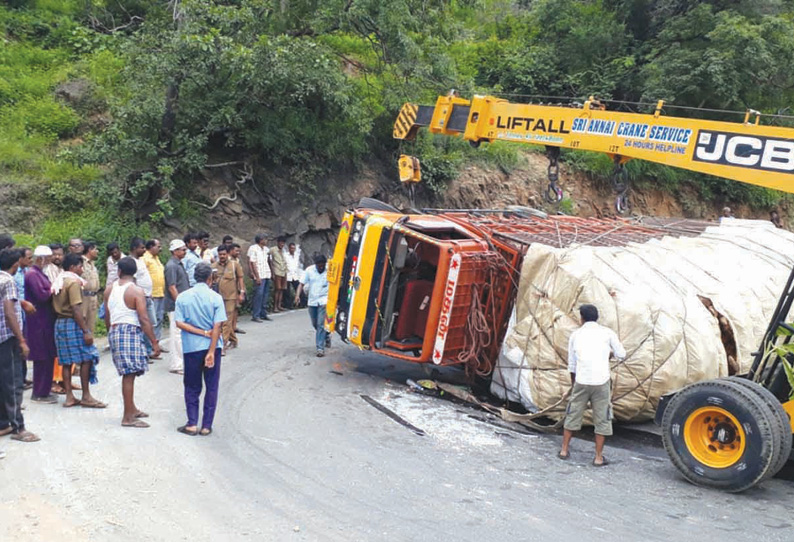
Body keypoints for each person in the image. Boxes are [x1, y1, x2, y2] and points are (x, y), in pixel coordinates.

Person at [558, 304, 625, 467]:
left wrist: (574, 384)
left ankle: (564, 450)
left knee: (573, 414)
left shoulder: (576, 335)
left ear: (581, 318)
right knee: (602, 418)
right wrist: (608, 354)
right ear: (597, 317)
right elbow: (622, 355)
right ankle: (598, 457)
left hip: (582, 380)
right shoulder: (608, 333)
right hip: (601, 382)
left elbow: (572, 364)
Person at [104, 257, 160, 428]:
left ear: (119, 271)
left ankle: (132, 408)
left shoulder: (109, 289)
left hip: (115, 329)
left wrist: (110, 331)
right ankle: (128, 417)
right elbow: (143, 318)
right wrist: (154, 342)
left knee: (131, 372)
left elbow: (106, 314)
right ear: (135, 272)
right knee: (129, 374)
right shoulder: (136, 291)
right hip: (129, 330)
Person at [175, 262, 226, 436]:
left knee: (191, 385)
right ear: (210, 278)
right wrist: (211, 350)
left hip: (191, 348)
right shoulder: (216, 297)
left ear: (194, 277)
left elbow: (179, 323)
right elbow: (217, 326)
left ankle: (191, 423)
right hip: (213, 347)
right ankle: (206, 425)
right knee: (211, 386)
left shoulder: (182, 297)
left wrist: (201, 332)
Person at [52, 253, 104, 409]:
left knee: (67, 361)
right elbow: (75, 308)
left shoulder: (59, 281)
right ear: (72, 267)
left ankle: (69, 397)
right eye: (80, 266)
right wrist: (86, 330)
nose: (82, 269)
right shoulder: (73, 283)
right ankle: (86, 396)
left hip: (60, 323)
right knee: (87, 357)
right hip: (72, 322)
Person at [0, 248, 39, 443]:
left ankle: (3, 423)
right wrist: (21, 340)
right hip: (7, 339)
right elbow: (9, 313)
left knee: (2, 382)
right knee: (13, 383)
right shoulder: (8, 281)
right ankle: (18, 427)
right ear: (16, 264)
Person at [24, 246, 58, 404]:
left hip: (45, 320)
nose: (50, 261)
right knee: (41, 357)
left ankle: (44, 390)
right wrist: (54, 289)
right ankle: (39, 392)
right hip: (38, 321)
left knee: (48, 355)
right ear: (41, 259)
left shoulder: (39, 273)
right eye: (48, 258)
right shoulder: (32, 274)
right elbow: (42, 295)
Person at [211, 245, 244, 355]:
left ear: (227, 254)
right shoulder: (213, 266)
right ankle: (233, 339)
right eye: (220, 254)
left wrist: (242, 293)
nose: (222, 256)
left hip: (231, 297)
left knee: (226, 321)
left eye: (224, 254)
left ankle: (222, 345)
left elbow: (240, 278)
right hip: (217, 297)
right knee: (220, 321)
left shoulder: (234, 265)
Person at [295, 254, 330, 357]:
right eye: (318, 265)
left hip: (324, 300)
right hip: (312, 301)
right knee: (315, 323)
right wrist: (297, 296)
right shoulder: (309, 271)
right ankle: (326, 336)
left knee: (320, 324)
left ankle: (320, 348)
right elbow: (301, 284)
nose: (320, 267)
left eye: (322, 265)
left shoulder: (329, 270)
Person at [130, 238, 158, 359]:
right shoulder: (132, 262)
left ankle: (150, 349)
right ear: (134, 249)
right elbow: (134, 280)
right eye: (142, 248)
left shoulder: (140, 260)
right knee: (144, 324)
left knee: (151, 323)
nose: (144, 250)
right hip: (141, 298)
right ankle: (145, 352)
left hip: (147, 296)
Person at [165, 239, 190, 374]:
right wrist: (180, 304)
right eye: (182, 249)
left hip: (179, 304)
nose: (185, 251)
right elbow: (172, 287)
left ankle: (180, 362)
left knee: (179, 334)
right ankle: (177, 364)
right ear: (175, 251)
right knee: (176, 334)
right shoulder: (171, 266)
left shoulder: (178, 264)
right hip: (175, 306)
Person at [14, 247, 34, 388]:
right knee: (19, 346)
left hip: (27, 314)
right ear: (20, 259)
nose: (31, 260)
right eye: (28, 258)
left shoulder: (28, 271)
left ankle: (24, 377)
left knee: (25, 346)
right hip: (18, 313)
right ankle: (19, 379)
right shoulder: (14, 275)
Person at [142, 239, 167, 349]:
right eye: (158, 246)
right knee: (152, 321)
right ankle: (150, 344)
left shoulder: (156, 258)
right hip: (152, 294)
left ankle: (156, 342)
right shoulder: (145, 258)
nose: (160, 249)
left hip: (160, 292)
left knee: (159, 318)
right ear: (151, 247)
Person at [247, 234, 271, 322]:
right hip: (259, 274)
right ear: (261, 240)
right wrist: (256, 276)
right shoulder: (253, 248)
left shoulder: (266, 249)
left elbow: (268, 261)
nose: (266, 241)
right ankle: (256, 315)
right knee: (258, 295)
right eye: (265, 239)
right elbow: (252, 262)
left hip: (266, 273)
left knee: (265, 295)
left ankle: (263, 313)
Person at [81, 241, 100, 336]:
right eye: (95, 249)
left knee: (91, 324)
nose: (97, 251)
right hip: (84, 297)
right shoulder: (82, 262)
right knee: (84, 322)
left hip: (93, 296)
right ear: (89, 250)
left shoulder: (92, 264)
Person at [270, 237, 288, 312]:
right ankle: (275, 307)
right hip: (277, 271)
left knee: (282, 289)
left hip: (283, 271)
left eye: (283, 243)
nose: (282, 244)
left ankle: (279, 305)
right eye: (281, 243)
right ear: (278, 242)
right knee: (277, 289)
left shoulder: (283, 251)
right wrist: (272, 272)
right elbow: (270, 260)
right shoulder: (273, 250)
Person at [284, 242, 304, 309]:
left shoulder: (296, 255)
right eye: (291, 248)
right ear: (289, 248)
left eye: (294, 248)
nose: (293, 250)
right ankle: (288, 305)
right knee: (287, 291)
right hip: (288, 274)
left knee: (298, 288)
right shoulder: (285, 255)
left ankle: (302, 303)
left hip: (295, 274)